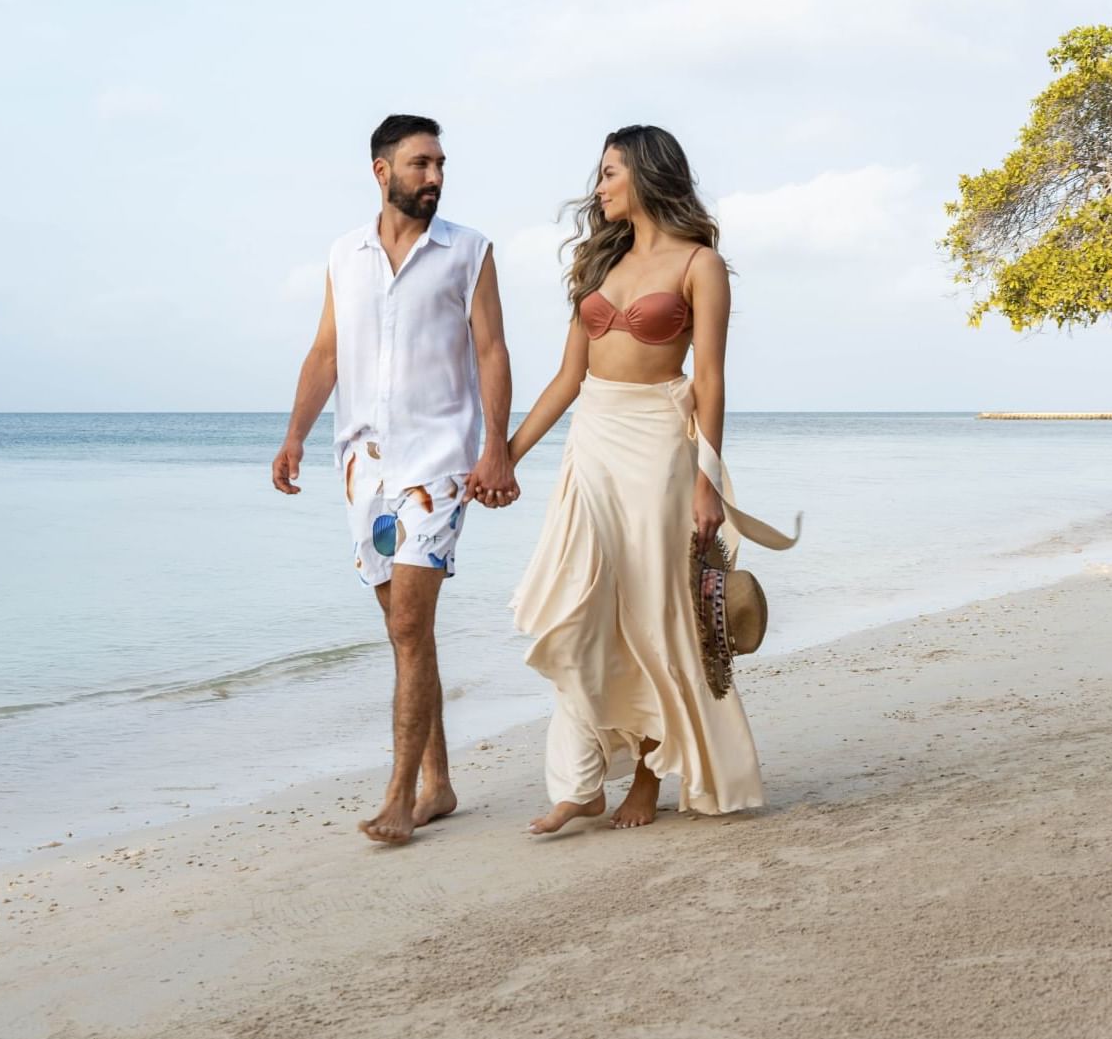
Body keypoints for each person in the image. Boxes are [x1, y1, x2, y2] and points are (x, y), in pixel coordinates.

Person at [506, 124, 797, 835]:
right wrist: (505, 454)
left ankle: (644, 776)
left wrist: (707, 480)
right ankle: (580, 779)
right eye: (599, 174)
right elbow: (568, 378)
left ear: (644, 173)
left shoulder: (701, 264)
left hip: (661, 445)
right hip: (593, 442)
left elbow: (712, 379)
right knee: (573, 605)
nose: (598, 186)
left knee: (653, 613)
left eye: (609, 172)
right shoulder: (595, 263)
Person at [272, 114, 518, 845]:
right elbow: (325, 353)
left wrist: (495, 447)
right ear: (382, 171)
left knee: (410, 625)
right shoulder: (343, 254)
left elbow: (492, 351)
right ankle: (439, 782)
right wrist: (294, 436)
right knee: (404, 630)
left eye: (441, 163)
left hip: (439, 461)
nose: (435, 176)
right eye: (421, 163)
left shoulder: (469, 251)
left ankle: (400, 795)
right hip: (363, 468)